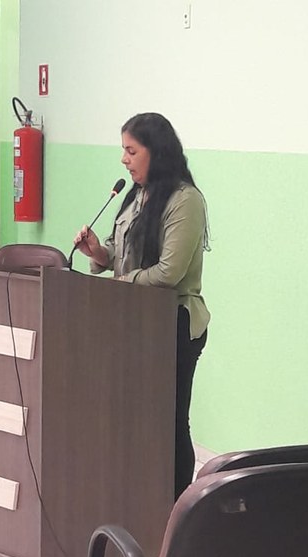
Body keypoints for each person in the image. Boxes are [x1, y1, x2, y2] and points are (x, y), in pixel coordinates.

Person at [73, 112, 210, 500]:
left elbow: (168, 272)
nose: (124, 160)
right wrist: (98, 252)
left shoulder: (185, 200)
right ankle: (137, 498)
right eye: (123, 150)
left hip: (173, 325)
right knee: (131, 417)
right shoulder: (136, 194)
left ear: (157, 151)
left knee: (169, 420)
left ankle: (176, 507)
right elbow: (122, 254)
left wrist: (120, 284)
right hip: (131, 322)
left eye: (131, 151)